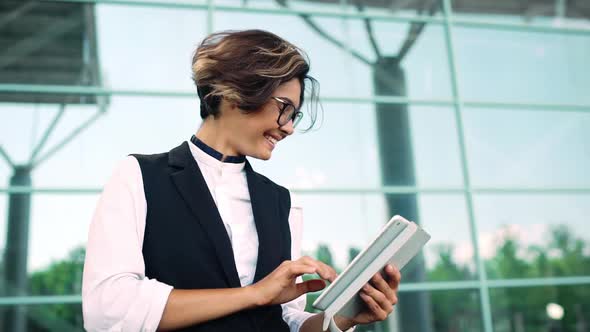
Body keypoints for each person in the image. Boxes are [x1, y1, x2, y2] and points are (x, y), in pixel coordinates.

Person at [82, 29, 401, 332]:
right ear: (234, 92)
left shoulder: (282, 203)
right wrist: (255, 294)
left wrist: (343, 318)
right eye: (284, 108)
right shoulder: (139, 176)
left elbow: (284, 320)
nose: (289, 128)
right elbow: (107, 309)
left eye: (295, 116)